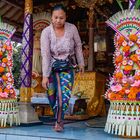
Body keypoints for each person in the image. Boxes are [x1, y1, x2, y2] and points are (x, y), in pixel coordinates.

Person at [41, 4, 84, 132]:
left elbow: (78, 46)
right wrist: (45, 75)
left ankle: (59, 122)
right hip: (52, 68)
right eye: (55, 17)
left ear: (66, 18)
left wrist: (81, 63)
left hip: (68, 67)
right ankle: (58, 117)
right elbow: (45, 54)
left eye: (61, 18)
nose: (58, 20)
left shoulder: (72, 28)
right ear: (51, 17)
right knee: (52, 95)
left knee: (63, 96)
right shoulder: (46, 32)